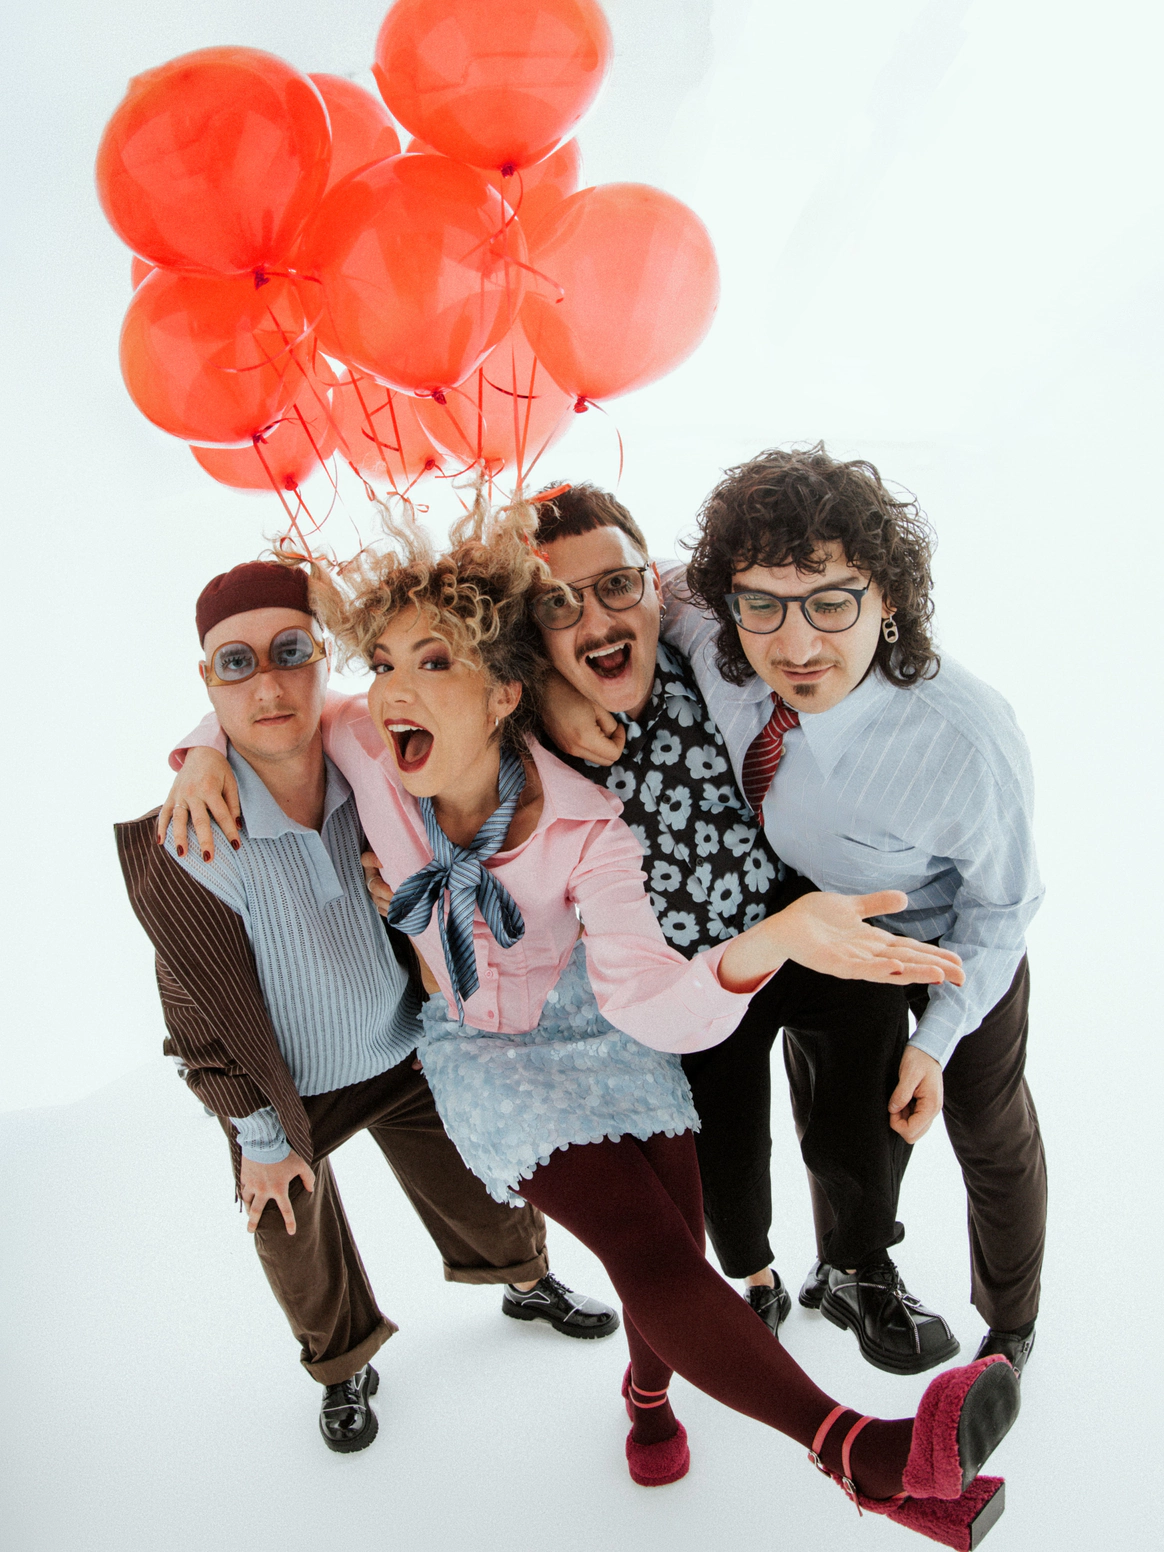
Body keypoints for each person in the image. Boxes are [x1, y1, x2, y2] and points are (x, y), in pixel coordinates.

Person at [162, 503, 1018, 1546]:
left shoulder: (587, 825)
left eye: (432, 662)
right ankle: (864, 1454)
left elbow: (650, 1000)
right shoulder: (366, 742)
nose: (389, 690)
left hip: (605, 1022)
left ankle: (650, 1399)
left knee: (680, 1239)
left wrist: (770, 941)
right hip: (486, 1052)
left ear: (504, 691)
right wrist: (197, 750)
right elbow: (270, 705)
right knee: (646, 1249)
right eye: (381, 664)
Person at [117, 559, 618, 1457]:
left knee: (483, 1175)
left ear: (322, 659)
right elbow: (195, 1016)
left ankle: (524, 1278)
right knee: (288, 1231)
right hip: (284, 1094)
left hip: (400, 1046)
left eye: (290, 653)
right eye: (236, 664)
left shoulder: (371, 766)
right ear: (207, 681)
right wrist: (260, 1135)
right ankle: (341, 1365)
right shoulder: (197, 834)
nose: (267, 685)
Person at [527, 481, 959, 1372]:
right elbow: (407, 696)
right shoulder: (525, 720)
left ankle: (859, 1262)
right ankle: (754, 1273)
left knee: (870, 1039)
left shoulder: (702, 638)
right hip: (690, 979)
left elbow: (724, 581)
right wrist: (538, 682)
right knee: (724, 1147)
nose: (597, 619)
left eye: (617, 586)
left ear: (654, 585)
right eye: (558, 604)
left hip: (791, 915)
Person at [665, 444, 1046, 1379]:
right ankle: (846, 1268)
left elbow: (1004, 907)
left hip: (951, 944)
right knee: (832, 1110)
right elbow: (606, 579)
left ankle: (1011, 1325)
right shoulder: (712, 634)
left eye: (831, 603)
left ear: (888, 598)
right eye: (762, 604)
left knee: (986, 1128)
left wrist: (938, 1039)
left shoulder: (965, 737)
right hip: (821, 924)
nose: (795, 645)